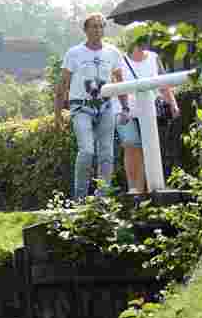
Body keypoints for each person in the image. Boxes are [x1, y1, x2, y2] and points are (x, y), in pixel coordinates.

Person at [55, 13, 130, 198]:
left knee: (106, 154)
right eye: (93, 26)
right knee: (87, 151)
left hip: (105, 106)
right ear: (85, 30)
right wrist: (57, 114)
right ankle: (80, 198)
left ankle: (102, 197)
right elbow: (63, 84)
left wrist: (125, 107)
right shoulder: (74, 53)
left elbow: (119, 81)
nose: (97, 30)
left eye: (100, 26)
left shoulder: (113, 52)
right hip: (81, 107)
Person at [119, 31, 181, 195]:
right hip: (131, 113)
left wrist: (172, 104)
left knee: (154, 150)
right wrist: (123, 110)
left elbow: (163, 83)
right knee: (133, 150)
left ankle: (153, 190)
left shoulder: (154, 58)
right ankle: (136, 192)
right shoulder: (120, 61)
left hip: (153, 112)